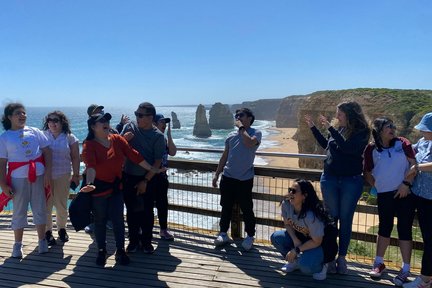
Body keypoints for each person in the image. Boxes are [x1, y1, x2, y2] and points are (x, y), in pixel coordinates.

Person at [80, 111, 165, 266]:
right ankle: (101, 251)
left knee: (118, 220)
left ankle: (120, 251)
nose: (106, 122)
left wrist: (153, 169)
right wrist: (89, 184)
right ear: (93, 127)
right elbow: (90, 167)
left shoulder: (117, 140)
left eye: (107, 120)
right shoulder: (89, 145)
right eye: (101, 121)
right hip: (98, 189)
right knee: (99, 221)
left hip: (116, 188)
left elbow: (134, 155)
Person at [305, 101, 370, 274]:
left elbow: (348, 148)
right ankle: (330, 258)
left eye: (339, 114)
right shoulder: (338, 129)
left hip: (350, 180)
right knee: (331, 221)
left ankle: (342, 258)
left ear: (350, 115)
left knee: (346, 220)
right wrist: (313, 128)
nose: (337, 117)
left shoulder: (362, 132)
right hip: (330, 178)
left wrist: (331, 129)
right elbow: (327, 145)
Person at [363, 117, 416, 286]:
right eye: (388, 127)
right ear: (379, 131)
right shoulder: (371, 149)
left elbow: (414, 165)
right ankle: (378, 263)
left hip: (405, 193)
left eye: (393, 125)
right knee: (384, 228)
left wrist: (406, 184)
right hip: (384, 195)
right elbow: (367, 171)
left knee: (404, 229)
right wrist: (377, 186)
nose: (392, 129)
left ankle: (405, 269)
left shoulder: (403, 143)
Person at [0, 103, 52, 258]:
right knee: (19, 211)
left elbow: (47, 152)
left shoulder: (35, 131)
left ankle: (42, 241)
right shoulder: (4, 137)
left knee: (40, 208)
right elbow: (2, 163)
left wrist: (48, 173)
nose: (22, 116)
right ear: (9, 117)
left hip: (39, 176)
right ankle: (17, 245)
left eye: (23, 113)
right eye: (18, 113)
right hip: (18, 179)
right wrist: (3, 184)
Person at [212, 108, 262, 251]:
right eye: (237, 115)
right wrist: (217, 174)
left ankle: (250, 235)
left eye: (241, 115)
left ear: (250, 118)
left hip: (244, 179)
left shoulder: (256, 133)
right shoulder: (230, 135)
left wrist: (241, 128)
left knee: (247, 209)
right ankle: (223, 233)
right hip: (227, 177)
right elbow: (225, 156)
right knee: (226, 207)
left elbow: (249, 143)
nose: (238, 117)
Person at [121, 102, 166, 254]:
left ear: (150, 117)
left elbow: (158, 161)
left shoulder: (158, 136)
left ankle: (146, 242)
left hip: (148, 178)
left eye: (140, 115)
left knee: (147, 212)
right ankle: (133, 241)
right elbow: (114, 144)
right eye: (136, 114)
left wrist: (145, 180)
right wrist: (124, 139)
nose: (137, 117)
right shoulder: (130, 128)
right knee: (132, 212)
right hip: (128, 177)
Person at [270, 179, 336, 281]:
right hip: (302, 238)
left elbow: (317, 241)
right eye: (290, 190)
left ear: (304, 196)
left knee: (305, 267)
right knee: (277, 237)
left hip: (322, 245)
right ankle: (294, 262)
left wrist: (296, 250)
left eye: (294, 191)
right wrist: (295, 240)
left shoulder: (311, 215)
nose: (290, 193)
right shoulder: (286, 204)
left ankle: (323, 265)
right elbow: (287, 224)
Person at [403, 112, 432, 288]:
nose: (422, 132)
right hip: (420, 196)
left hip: (430, 200)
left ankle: (424, 279)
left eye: (425, 130)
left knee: (430, 240)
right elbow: (408, 149)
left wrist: (417, 167)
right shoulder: (423, 142)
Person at [42, 111, 80, 246]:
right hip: (44, 177)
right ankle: (47, 231)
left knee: (62, 205)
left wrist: (76, 175)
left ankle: (62, 229)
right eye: (50, 120)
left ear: (62, 122)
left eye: (56, 120)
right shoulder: (42, 136)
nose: (52, 123)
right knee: (46, 205)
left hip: (63, 175)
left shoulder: (70, 137)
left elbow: (76, 157)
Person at [153, 113, 177, 240]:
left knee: (162, 205)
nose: (164, 124)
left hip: (162, 177)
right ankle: (145, 229)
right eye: (162, 122)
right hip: (150, 176)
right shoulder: (150, 138)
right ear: (154, 123)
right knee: (147, 206)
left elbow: (172, 152)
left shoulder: (164, 139)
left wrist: (169, 135)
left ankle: (163, 230)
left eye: (165, 122)